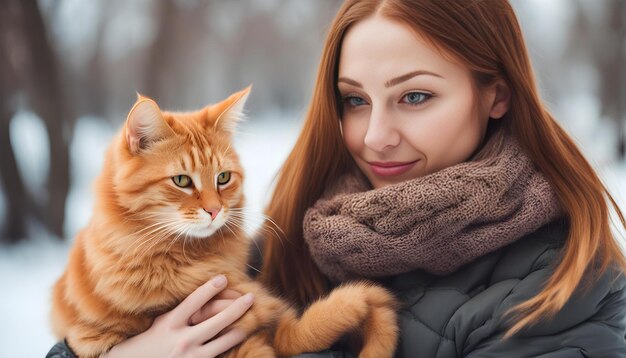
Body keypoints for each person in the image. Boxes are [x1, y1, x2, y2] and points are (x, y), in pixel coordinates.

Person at [48, 0, 626, 357]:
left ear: (495, 94)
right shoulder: (301, 231)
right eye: (354, 100)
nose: (375, 136)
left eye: (415, 96)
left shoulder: (562, 289)